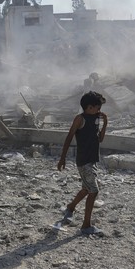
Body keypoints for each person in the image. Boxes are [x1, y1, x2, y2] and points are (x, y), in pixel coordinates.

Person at [57, 91, 108, 235]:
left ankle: (71, 207)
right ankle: (86, 225)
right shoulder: (80, 119)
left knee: (86, 188)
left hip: (92, 160)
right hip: (84, 160)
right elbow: (69, 137)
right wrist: (63, 158)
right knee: (94, 191)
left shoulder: (97, 118)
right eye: (98, 107)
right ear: (90, 107)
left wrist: (105, 124)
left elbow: (100, 139)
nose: (99, 110)